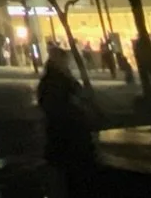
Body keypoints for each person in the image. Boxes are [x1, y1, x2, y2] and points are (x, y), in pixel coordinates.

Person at [37, 48, 99, 198]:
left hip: (63, 138)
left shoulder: (58, 80)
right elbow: (59, 108)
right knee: (71, 178)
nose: (67, 63)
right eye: (65, 60)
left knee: (65, 177)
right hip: (68, 138)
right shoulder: (58, 82)